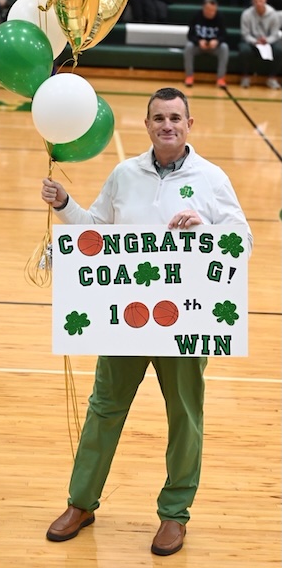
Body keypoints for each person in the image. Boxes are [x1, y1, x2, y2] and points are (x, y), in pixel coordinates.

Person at [41, 87, 253, 557]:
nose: (167, 125)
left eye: (175, 117)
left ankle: (174, 515)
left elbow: (243, 239)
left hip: (186, 322)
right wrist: (64, 205)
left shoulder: (212, 179)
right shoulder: (125, 174)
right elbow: (95, 230)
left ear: (189, 124)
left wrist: (205, 229)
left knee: (184, 418)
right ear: (147, 124)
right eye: (158, 117)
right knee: (104, 408)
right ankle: (81, 502)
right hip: (126, 319)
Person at [238, 0, 282, 88]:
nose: (258, 4)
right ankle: (245, 77)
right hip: (252, 41)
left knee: (280, 49)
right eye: (256, 1)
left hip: (268, 41)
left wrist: (267, 40)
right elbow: (245, 34)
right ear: (252, 2)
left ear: (265, 0)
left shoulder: (273, 14)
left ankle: (272, 78)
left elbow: (275, 34)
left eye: (261, 1)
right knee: (244, 50)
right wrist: (255, 41)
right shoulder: (246, 14)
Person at [184, 0, 229, 88]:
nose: (211, 13)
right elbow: (189, 35)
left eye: (213, 10)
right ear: (203, 8)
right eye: (209, 10)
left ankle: (221, 78)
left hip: (214, 47)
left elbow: (224, 35)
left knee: (224, 47)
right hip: (199, 46)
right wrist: (198, 41)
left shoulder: (220, 17)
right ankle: (189, 76)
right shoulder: (196, 16)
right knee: (189, 46)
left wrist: (217, 41)